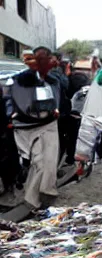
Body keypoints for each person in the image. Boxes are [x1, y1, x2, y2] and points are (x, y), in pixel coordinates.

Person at [6, 47, 60, 209]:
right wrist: (13, 115)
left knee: (48, 162)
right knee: (39, 162)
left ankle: (39, 195)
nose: (52, 61)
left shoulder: (53, 80)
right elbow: (12, 99)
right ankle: (34, 198)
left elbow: (58, 100)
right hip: (27, 127)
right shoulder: (21, 79)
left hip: (48, 124)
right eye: (46, 58)